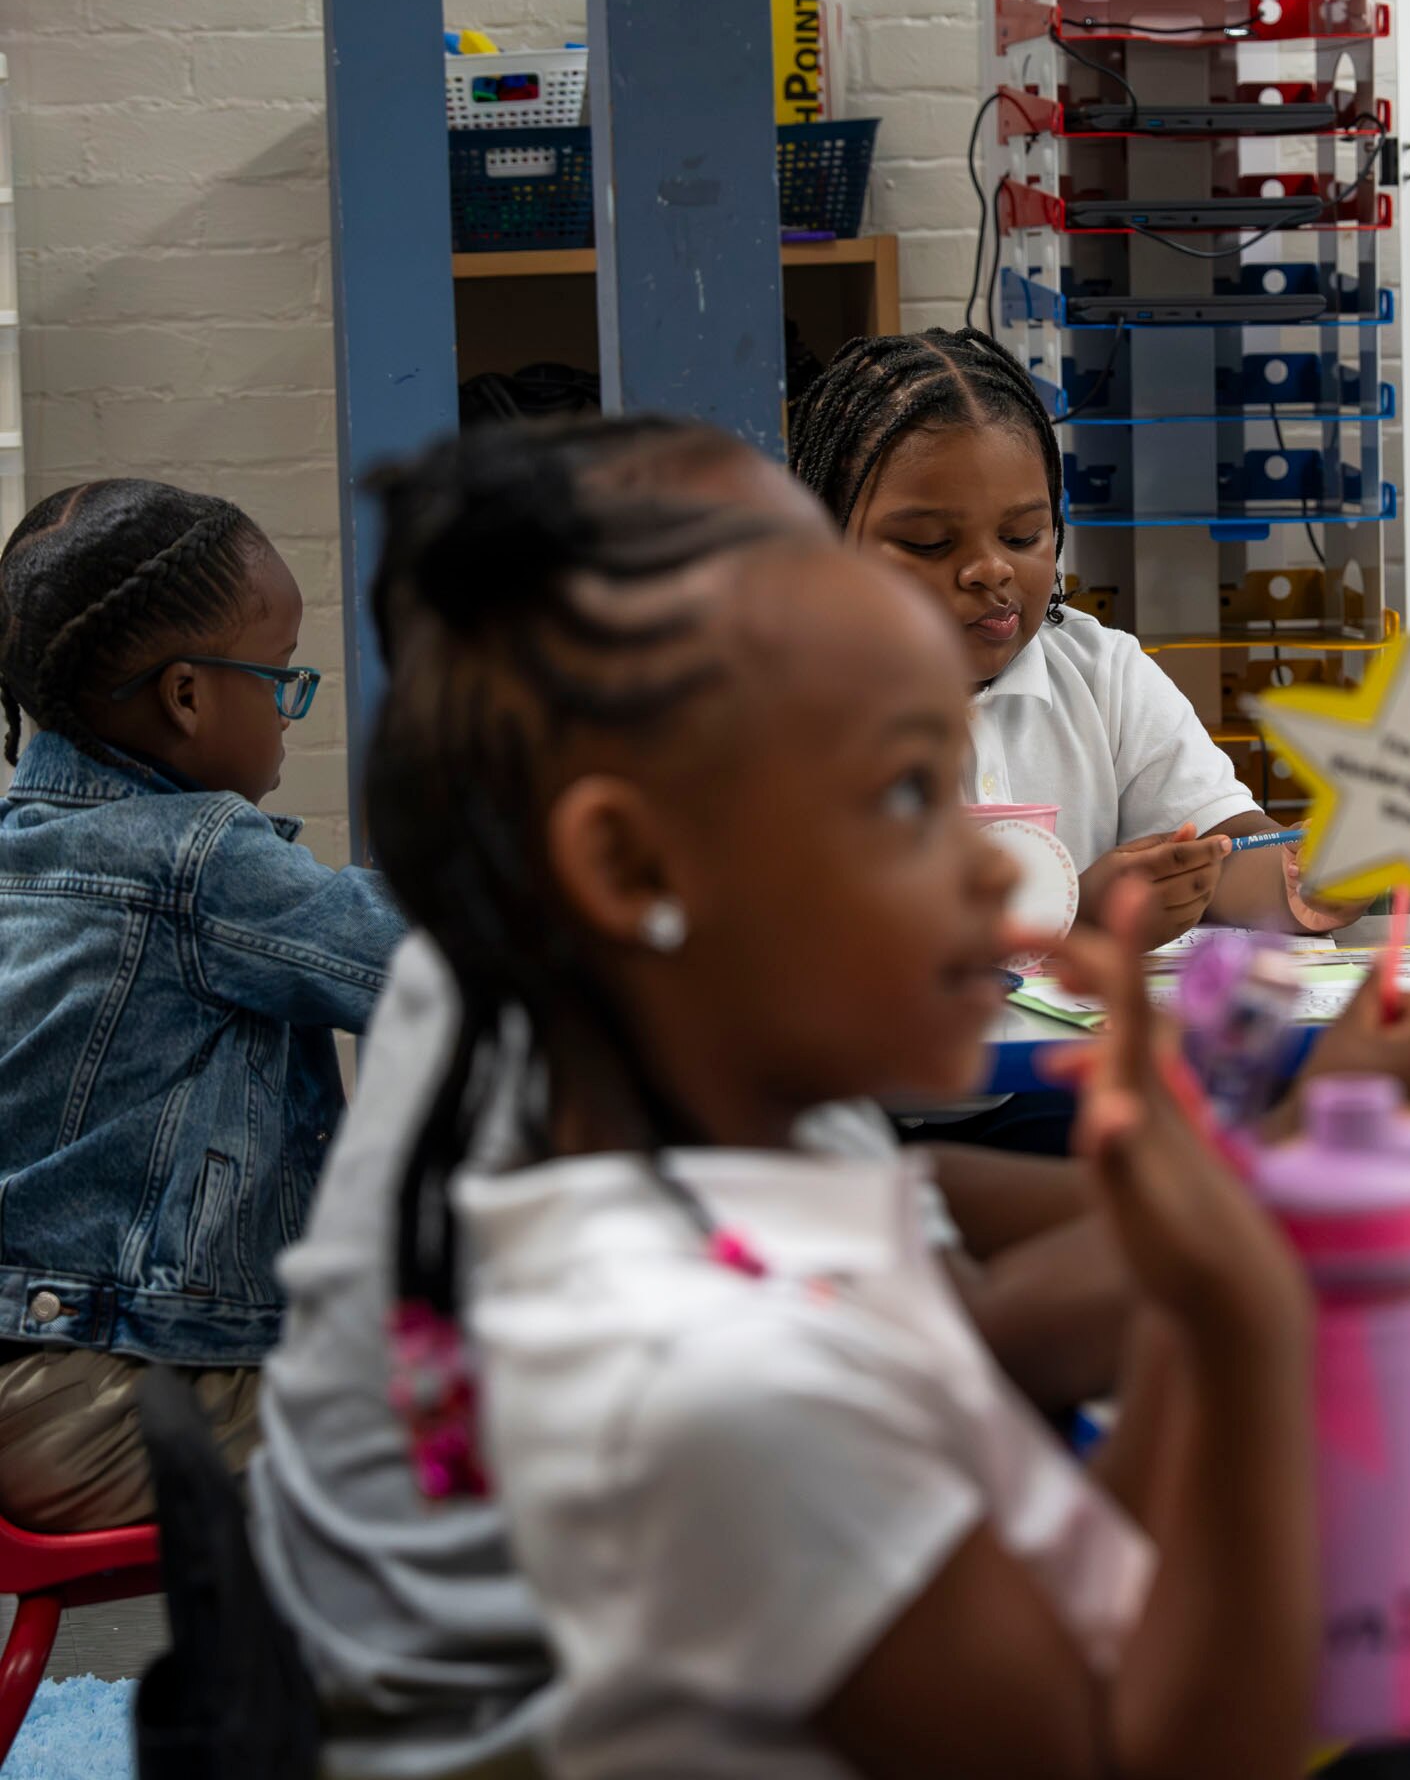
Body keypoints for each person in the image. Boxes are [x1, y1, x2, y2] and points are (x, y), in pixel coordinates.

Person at [356, 415, 1317, 1779]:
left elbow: (1091, 1607)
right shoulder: (725, 1391)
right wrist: (1243, 1326)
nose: (999, 871)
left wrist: (1188, 1270)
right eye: (908, 800)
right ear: (633, 870)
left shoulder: (720, 1193)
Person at [0, 479, 401, 1531]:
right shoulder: (199, 857)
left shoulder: (19, 849)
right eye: (281, 680)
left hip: (26, 1380)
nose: (286, 709)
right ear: (184, 695)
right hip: (110, 1397)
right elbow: (429, 963)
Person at [788, 327, 1354, 950]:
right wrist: (1076, 912)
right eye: (929, 544)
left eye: (1024, 535)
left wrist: (1306, 878)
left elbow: (1224, 847)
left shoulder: (1103, 675)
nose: (992, 570)